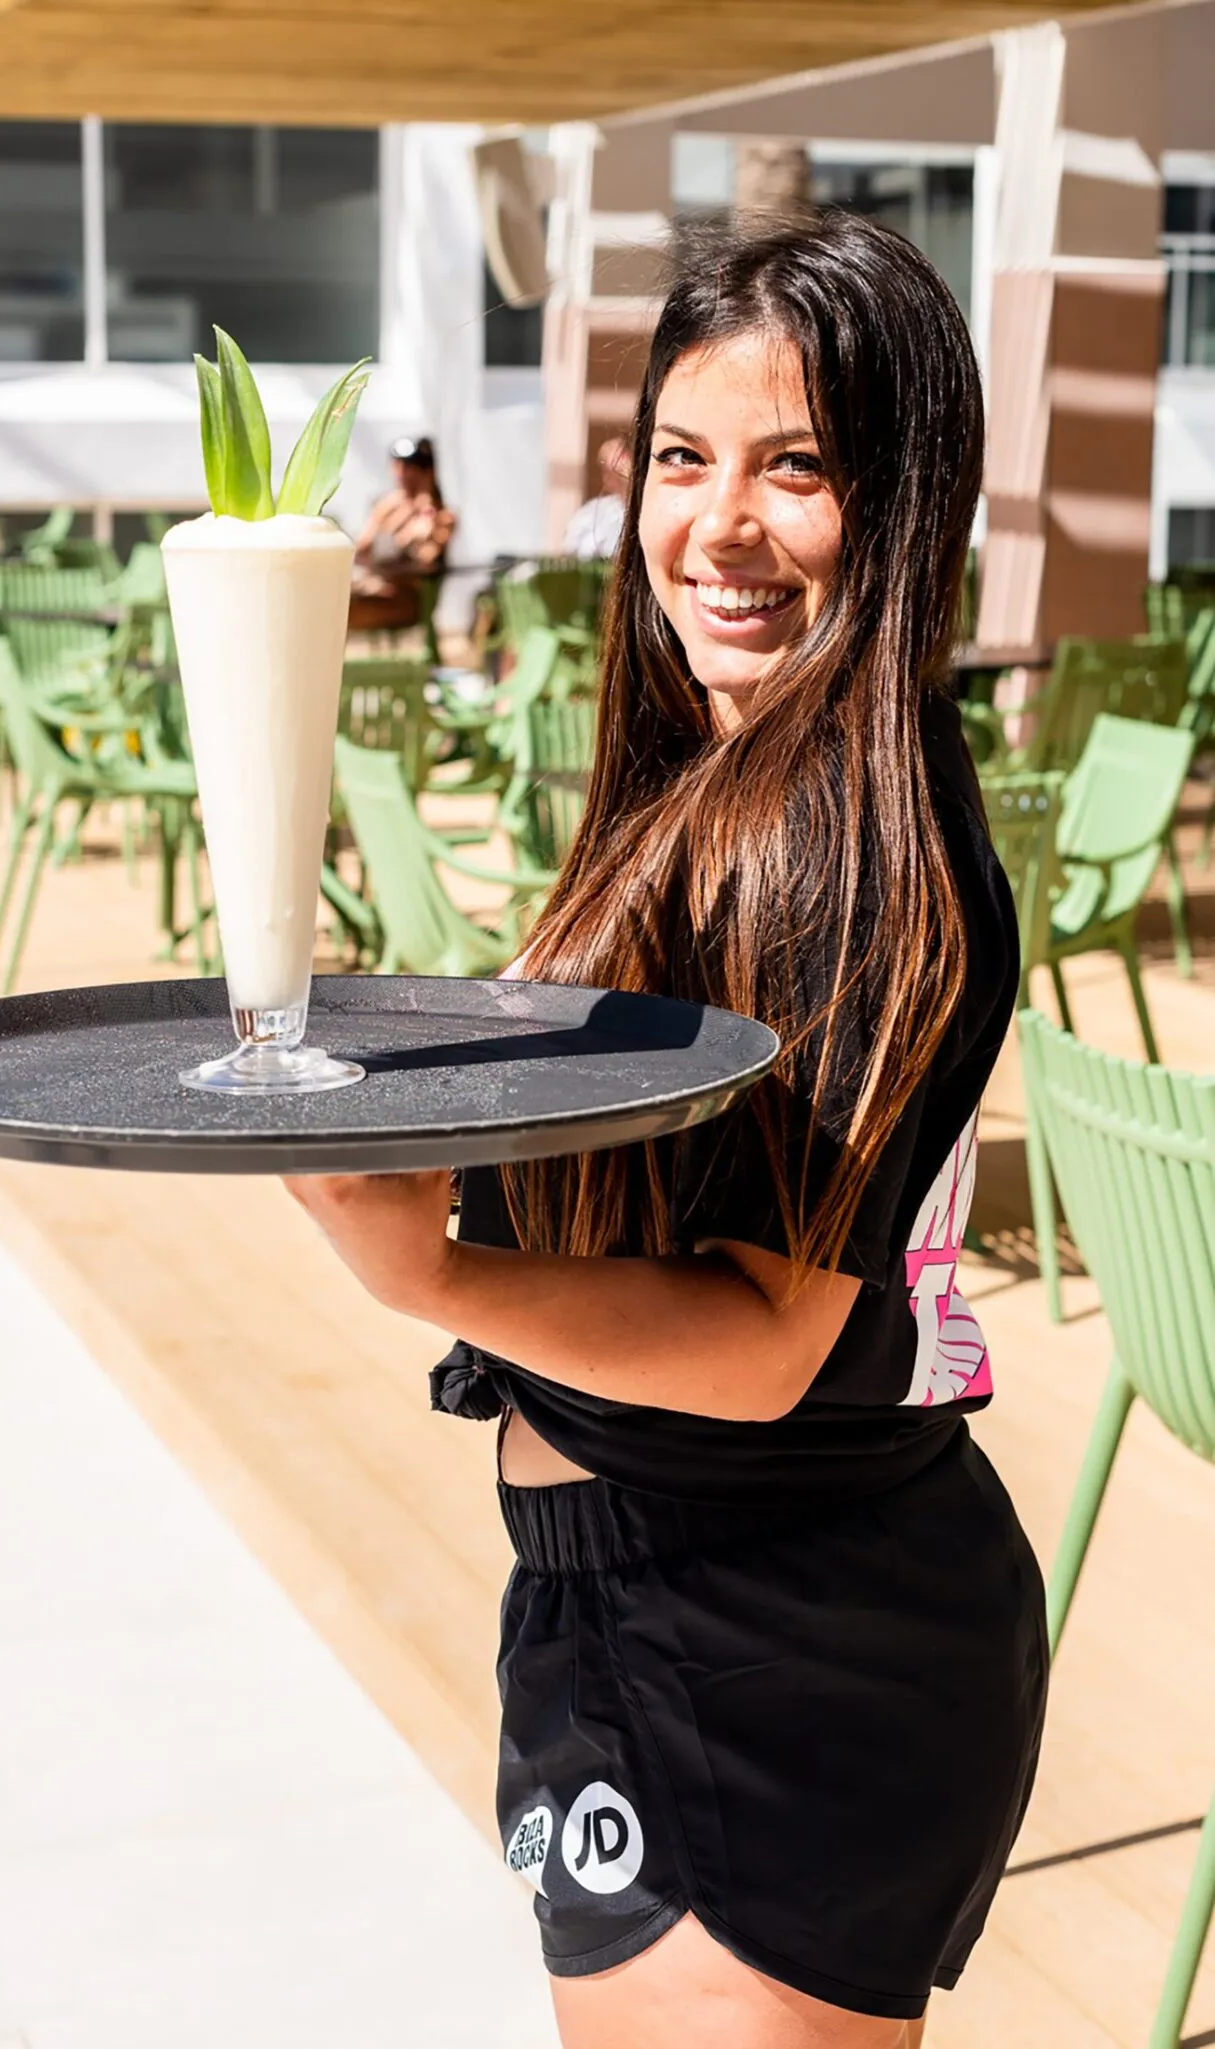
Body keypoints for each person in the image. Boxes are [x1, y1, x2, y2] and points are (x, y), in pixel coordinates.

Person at [286, 213, 1046, 2049]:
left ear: (905, 501)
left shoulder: (854, 843)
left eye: (797, 467)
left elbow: (765, 1337)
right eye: (682, 457)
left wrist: (427, 1273)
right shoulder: (717, 779)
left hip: (769, 1636)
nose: (716, 524)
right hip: (661, 1606)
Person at [349, 434, 457, 633]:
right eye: (397, 464)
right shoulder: (388, 505)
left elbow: (424, 559)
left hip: (408, 600)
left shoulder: (441, 516)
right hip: (375, 586)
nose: (402, 472)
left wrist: (420, 510)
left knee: (337, 604)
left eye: (410, 466)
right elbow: (361, 548)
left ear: (427, 471)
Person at [563, 435, 630, 560]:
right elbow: (570, 552)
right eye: (607, 470)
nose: (615, 474)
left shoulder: (645, 509)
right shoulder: (592, 512)